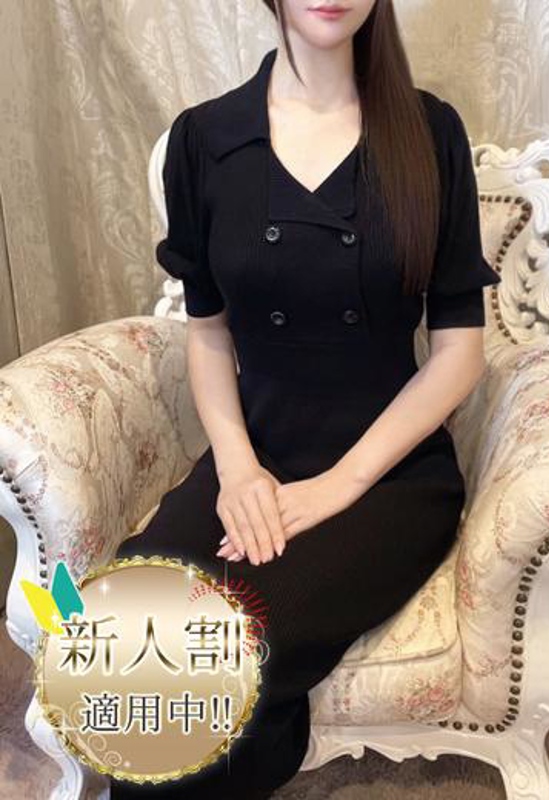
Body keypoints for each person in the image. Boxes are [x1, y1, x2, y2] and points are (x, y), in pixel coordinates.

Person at [110, 1, 502, 797]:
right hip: (255, 454)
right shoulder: (205, 138)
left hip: (388, 477)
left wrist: (339, 485)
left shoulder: (428, 132)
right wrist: (237, 469)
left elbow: (459, 352)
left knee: (227, 649)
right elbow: (207, 333)